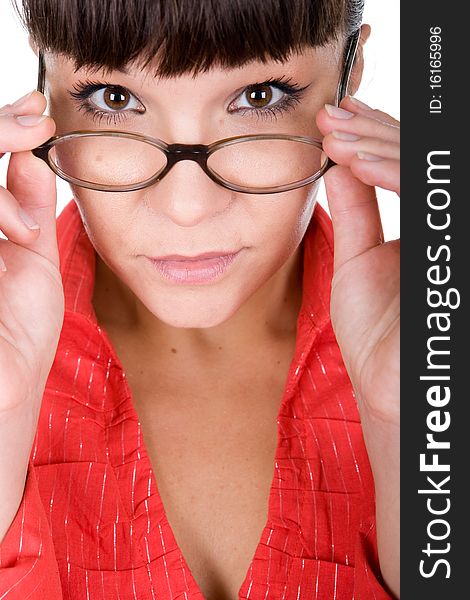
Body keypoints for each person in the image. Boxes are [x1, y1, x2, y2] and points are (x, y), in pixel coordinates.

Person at [0, 0, 400, 598]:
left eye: (260, 97)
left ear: (353, 71)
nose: (187, 206)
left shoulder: (423, 346)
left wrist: (419, 424)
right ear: (42, 86)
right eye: (114, 99)